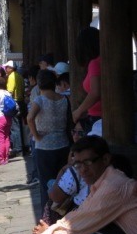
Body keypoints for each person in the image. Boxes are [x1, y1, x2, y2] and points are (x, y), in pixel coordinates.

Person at [26, 70, 71, 209]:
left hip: (45, 147)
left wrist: (36, 136)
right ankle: (63, 211)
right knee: (63, 182)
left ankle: (48, 215)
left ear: (39, 83)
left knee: (46, 183)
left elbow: (30, 118)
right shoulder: (64, 99)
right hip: (63, 143)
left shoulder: (40, 100)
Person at [71, 27, 101, 131]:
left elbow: (95, 92)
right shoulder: (101, 60)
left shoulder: (95, 63)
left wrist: (78, 112)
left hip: (98, 118)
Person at [5, 60, 27, 154]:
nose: (5, 69)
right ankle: (23, 146)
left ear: (10, 68)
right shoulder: (19, 76)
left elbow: (9, 92)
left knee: (15, 127)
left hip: (15, 102)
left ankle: (18, 148)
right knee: (20, 126)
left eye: (6, 67)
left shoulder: (11, 77)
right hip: (21, 102)